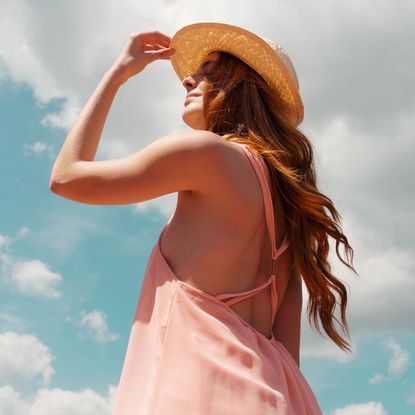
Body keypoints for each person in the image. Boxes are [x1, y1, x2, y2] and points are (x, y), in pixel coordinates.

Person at [50, 22, 357, 415]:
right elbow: (287, 352)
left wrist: (117, 75)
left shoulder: (203, 153)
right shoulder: (291, 212)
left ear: (244, 89)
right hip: (280, 397)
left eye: (211, 72)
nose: (189, 80)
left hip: (194, 395)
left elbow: (65, 178)